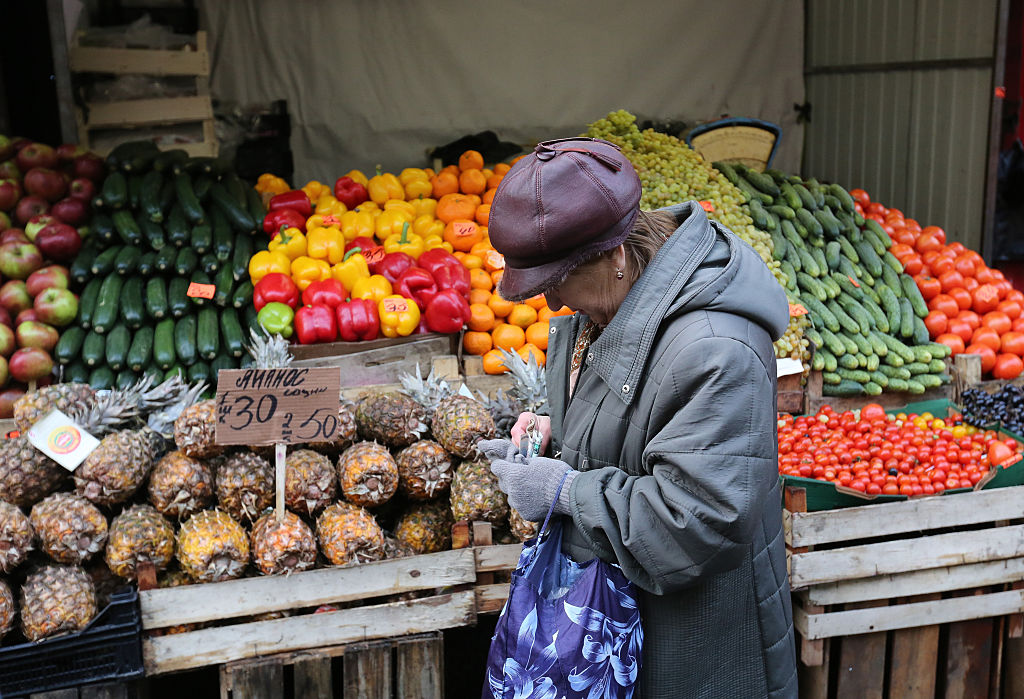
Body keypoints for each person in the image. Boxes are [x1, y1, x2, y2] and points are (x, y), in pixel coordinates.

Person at [478, 137, 798, 698]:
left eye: (555, 282)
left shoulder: (716, 349)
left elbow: (699, 520)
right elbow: (633, 416)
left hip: (697, 659)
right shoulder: (617, 298)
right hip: (632, 637)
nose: (551, 304)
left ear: (616, 256)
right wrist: (562, 428)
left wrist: (565, 489)